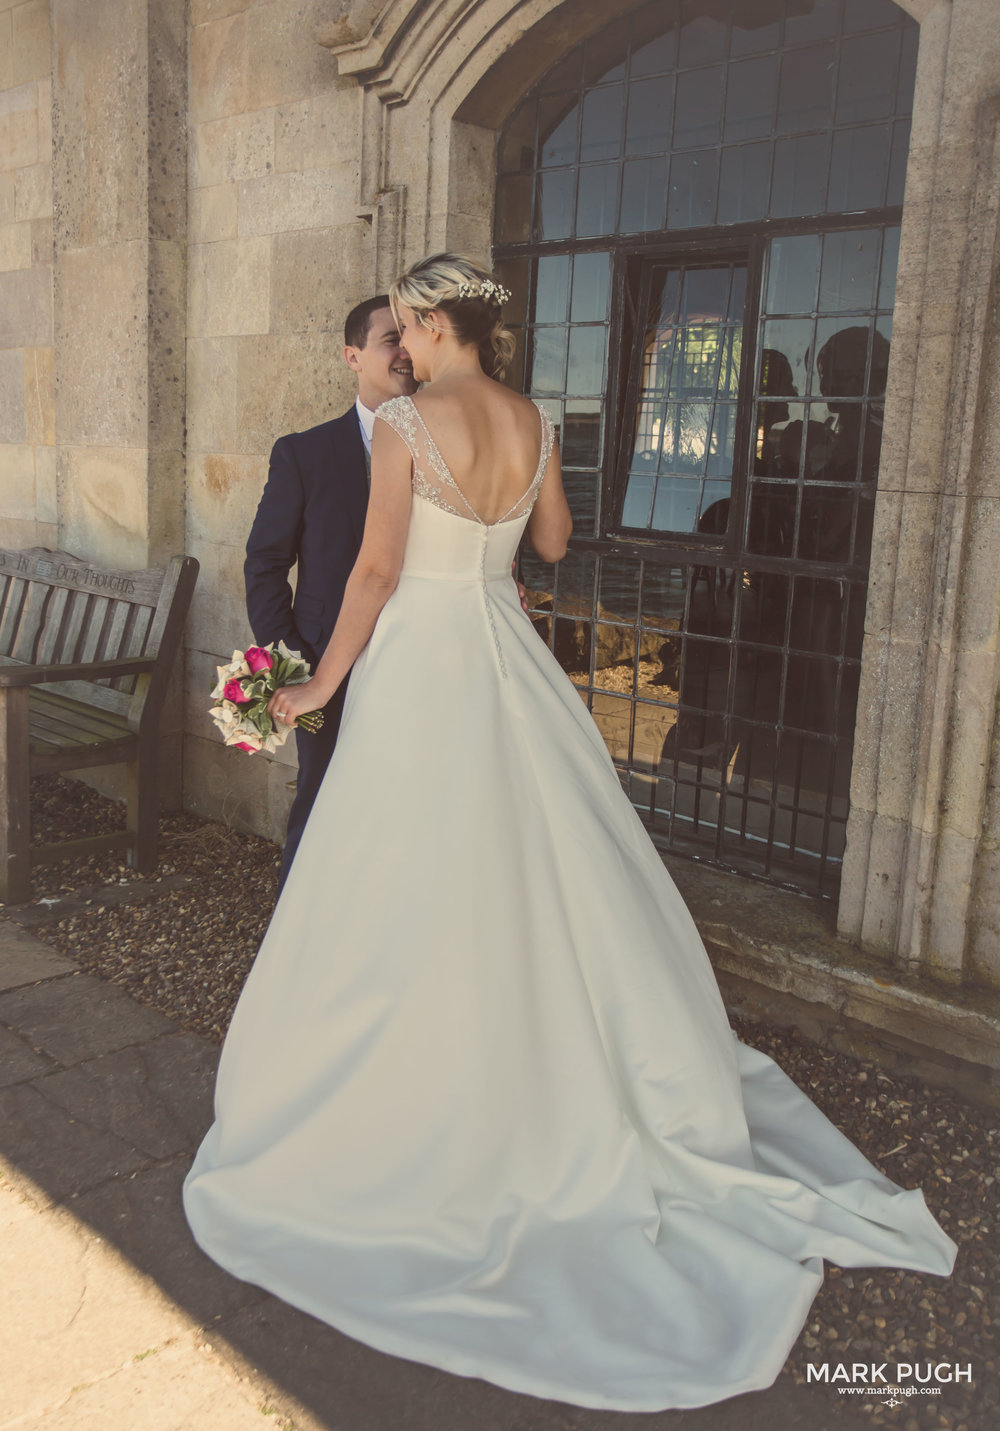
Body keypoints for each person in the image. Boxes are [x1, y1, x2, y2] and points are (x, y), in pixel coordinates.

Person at [185, 254, 956, 1413]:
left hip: (423, 665)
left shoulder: (403, 420)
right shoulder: (529, 414)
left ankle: (430, 1090)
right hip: (508, 654)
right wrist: (493, 533)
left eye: (405, 325)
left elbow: (379, 569)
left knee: (410, 867)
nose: (396, 344)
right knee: (548, 860)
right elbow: (550, 545)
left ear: (439, 324)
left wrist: (312, 688)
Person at [244, 296, 417, 889]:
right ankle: (296, 935)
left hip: (421, 655)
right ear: (353, 356)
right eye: (390, 338)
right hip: (323, 665)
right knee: (321, 799)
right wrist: (291, 659)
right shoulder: (304, 453)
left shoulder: (445, 450)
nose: (405, 351)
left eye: (411, 337)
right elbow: (265, 564)